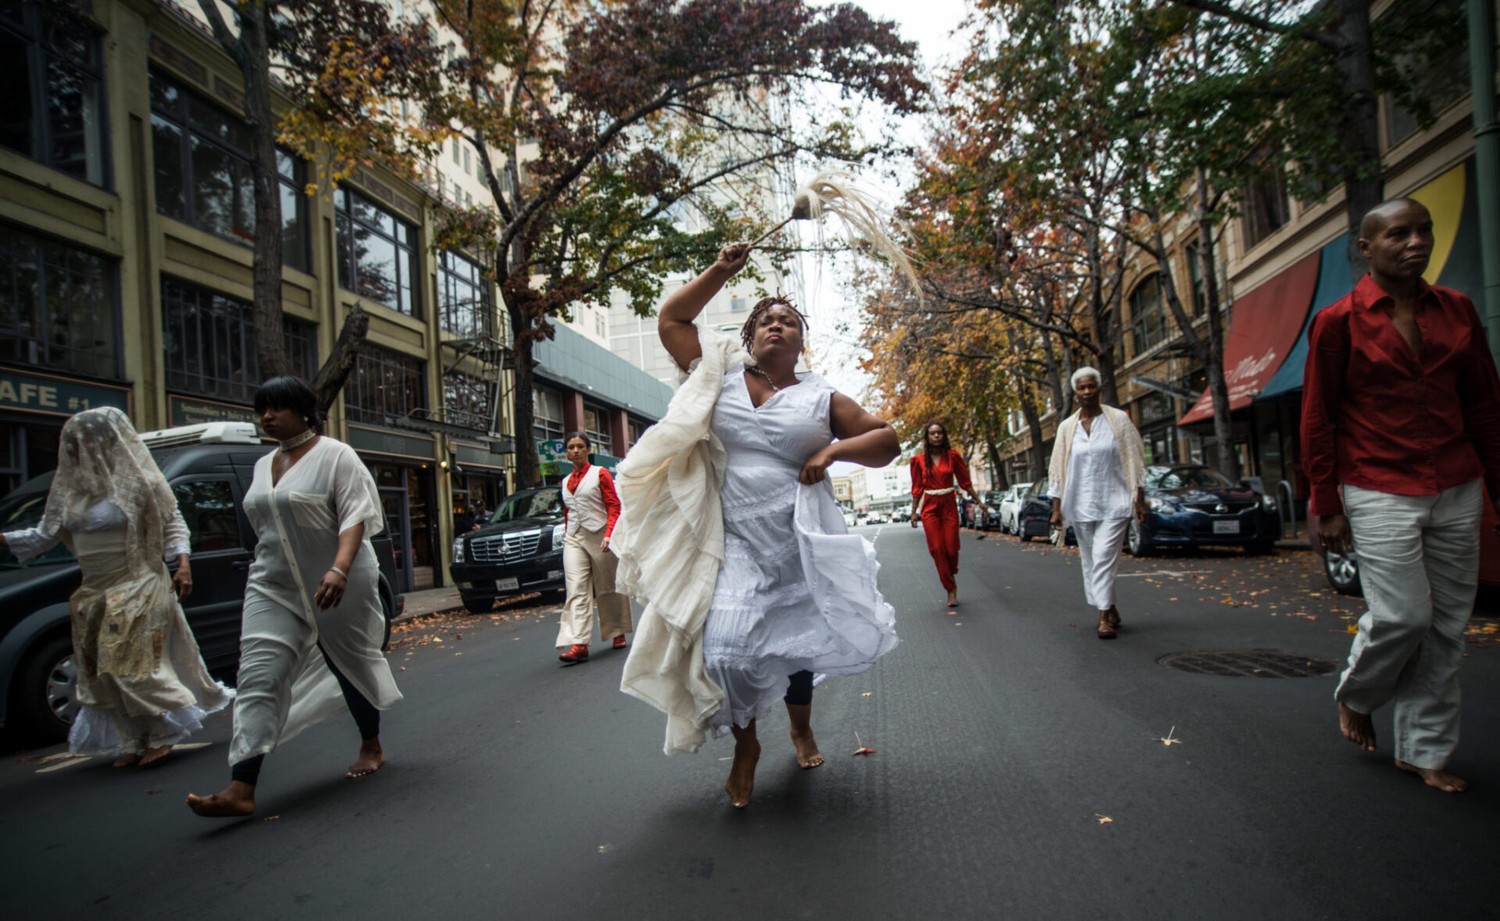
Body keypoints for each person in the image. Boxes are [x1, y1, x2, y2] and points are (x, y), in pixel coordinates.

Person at [611, 242, 900, 808]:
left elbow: (887, 440)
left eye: (788, 321)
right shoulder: (716, 376)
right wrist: (722, 269)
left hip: (797, 542)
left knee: (794, 649)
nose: (776, 324)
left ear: (799, 340)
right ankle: (747, 744)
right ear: (750, 336)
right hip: (733, 541)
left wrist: (833, 453)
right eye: (766, 319)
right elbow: (672, 319)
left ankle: (800, 727)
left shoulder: (822, 396)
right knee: (725, 650)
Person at [1302, 197, 1500, 795]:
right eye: (1397, 234)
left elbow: (1485, 407)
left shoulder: (1459, 311)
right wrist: (1326, 503)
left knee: (1445, 627)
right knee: (1403, 615)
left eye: (1423, 231)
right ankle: (1357, 693)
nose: (1415, 242)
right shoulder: (1338, 321)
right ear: (1366, 248)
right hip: (1378, 483)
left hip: (1457, 483)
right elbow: (1318, 416)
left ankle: (1424, 750)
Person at [188, 376, 401, 817]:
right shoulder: (262, 464)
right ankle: (241, 786)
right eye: (261, 408)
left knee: (348, 661)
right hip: (273, 583)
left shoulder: (336, 455)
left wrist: (339, 568)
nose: (267, 416)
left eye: (278, 407)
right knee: (257, 674)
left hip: (337, 580)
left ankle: (371, 743)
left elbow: (355, 516)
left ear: (304, 410)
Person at [0, 407, 232, 766]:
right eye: (73, 442)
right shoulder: (69, 492)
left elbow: (172, 522)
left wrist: (182, 564)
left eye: (87, 441)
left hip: (138, 581)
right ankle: (132, 739)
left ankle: (162, 733)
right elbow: (43, 535)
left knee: (131, 664)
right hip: (94, 591)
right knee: (102, 671)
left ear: (108, 442)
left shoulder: (141, 483)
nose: (80, 448)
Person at [1046, 367, 1147, 640]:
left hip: (1115, 502)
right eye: (1082, 388)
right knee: (1091, 561)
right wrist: (1056, 508)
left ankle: (1103, 618)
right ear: (1075, 392)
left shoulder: (1118, 421)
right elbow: (1058, 470)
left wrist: (1139, 500)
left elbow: (1135, 462)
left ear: (1099, 388)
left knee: (1103, 556)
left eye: (1091, 386)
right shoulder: (1067, 428)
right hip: (1079, 505)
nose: (1087, 392)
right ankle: (1110, 606)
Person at [555, 431, 631, 664]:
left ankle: (617, 631)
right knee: (576, 587)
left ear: (588, 450)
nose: (575, 450)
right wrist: (569, 533)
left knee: (608, 585)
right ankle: (579, 643)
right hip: (574, 537)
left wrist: (610, 534)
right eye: (570, 447)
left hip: (600, 534)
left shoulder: (601, 474)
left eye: (579, 446)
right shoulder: (566, 481)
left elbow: (613, 506)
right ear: (566, 453)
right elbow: (569, 511)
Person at [909, 422, 977, 607]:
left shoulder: (953, 456)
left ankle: (950, 570)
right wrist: (914, 512)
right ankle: (950, 589)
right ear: (927, 437)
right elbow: (917, 488)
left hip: (948, 505)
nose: (936, 436)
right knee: (937, 548)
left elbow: (965, 482)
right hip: (930, 508)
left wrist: (980, 502)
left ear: (944, 436)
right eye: (932, 433)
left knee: (951, 548)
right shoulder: (918, 460)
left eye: (939, 433)